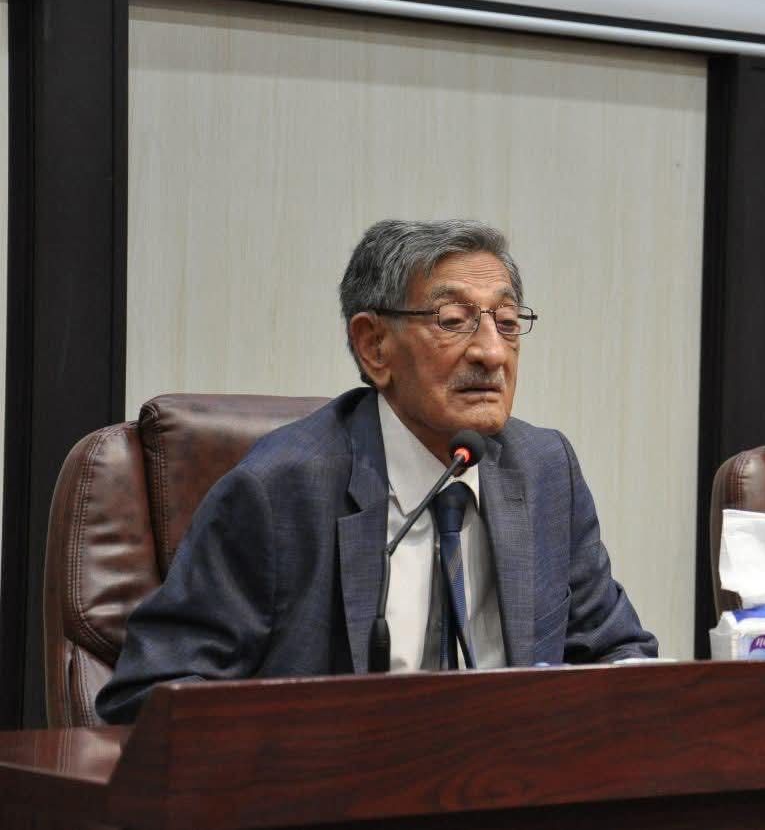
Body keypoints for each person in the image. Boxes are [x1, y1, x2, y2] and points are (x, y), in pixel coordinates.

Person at [97, 219, 656, 723]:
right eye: (454, 321)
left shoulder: (544, 470)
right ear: (374, 347)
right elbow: (152, 693)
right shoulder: (282, 489)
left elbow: (616, 651)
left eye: (507, 324)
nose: (491, 353)